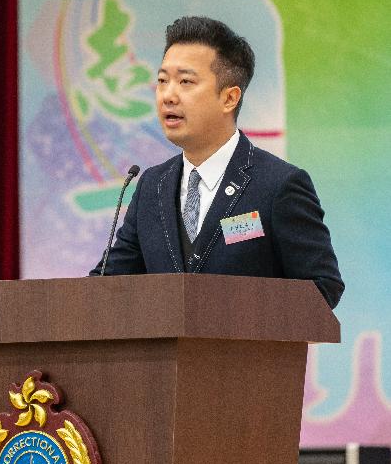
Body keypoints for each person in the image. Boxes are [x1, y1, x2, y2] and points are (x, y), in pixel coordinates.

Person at [90, 16, 344, 309]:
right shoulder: (151, 186)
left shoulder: (278, 186)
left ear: (229, 98)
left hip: (247, 354)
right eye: (162, 81)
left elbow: (321, 289)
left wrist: (224, 310)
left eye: (185, 82)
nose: (168, 95)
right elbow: (108, 286)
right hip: (161, 357)